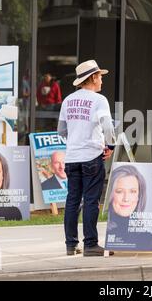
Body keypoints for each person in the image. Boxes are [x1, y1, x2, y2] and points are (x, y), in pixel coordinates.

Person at [58, 60, 116, 257]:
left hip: (72, 157)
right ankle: (90, 244)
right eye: (100, 76)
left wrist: (76, 138)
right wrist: (110, 145)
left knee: (72, 200)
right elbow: (108, 128)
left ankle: (71, 244)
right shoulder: (99, 100)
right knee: (91, 200)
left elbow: (61, 130)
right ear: (92, 77)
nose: (102, 80)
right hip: (92, 156)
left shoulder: (67, 100)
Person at [106, 165, 152, 251]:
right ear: (110, 195)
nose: (126, 199)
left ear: (139, 196)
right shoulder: (107, 235)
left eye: (132, 191)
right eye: (119, 191)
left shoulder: (147, 239)